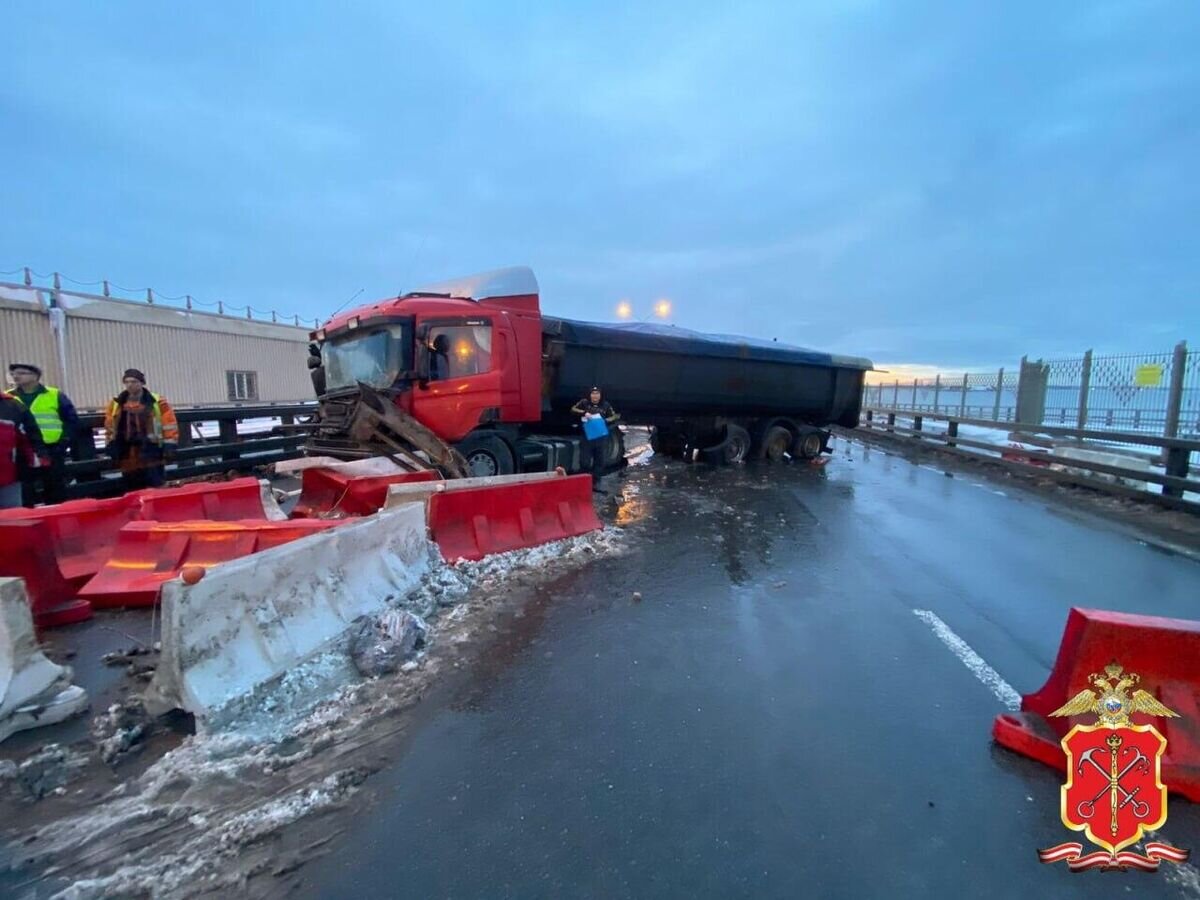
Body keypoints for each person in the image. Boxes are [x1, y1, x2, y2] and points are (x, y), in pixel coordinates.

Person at [8, 363, 81, 505]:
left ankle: (56, 518)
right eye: (14, 374)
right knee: (25, 490)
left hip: (52, 448)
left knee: (55, 487)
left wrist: (64, 441)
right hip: (22, 450)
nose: (16, 376)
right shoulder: (9, 397)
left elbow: (71, 420)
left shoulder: (54, 394)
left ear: (35, 376)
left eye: (21, 373)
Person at [103, 369, 179, 491]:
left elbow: (169, 424)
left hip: (151, 450)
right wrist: (110, 445)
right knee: (131, 486)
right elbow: (110, 426)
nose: (130, 385)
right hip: (127, 451)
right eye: (127, 382)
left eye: (134, 381)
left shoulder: (158, 401)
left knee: (155, 484)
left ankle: (156, 508)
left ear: (142, 383)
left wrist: (169, 445)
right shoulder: (116, 403)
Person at [571, 386, 619, 492]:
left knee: (600, 461)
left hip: (600, 437)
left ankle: (595, 483)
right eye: (593, 394)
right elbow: (573, 409)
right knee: (584, 461)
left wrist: (604, 420)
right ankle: (583, 483)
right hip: (587, 436)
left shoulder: (606, 405)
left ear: (600, 395)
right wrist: (584, 413)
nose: (595, 396)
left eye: (597, 394)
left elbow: (614, 416)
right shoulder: (584, 403)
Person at [1, 391, 44, 509]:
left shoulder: (12, 405)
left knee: (13, 518)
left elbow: (30, 436)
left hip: (10, 478)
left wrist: (37, 458)